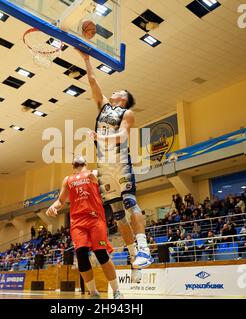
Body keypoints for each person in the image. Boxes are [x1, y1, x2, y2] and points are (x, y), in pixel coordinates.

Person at [77, 50, 153, 272]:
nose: (114, 90)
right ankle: (133, 258)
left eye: (119, 90)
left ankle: (144, 251)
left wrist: (100, 137)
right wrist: (86, 59)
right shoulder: (103, 107)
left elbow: (122, 136)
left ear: (124, 98)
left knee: (130, 203)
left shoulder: (127, 113)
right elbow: (92, 80)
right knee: (118, 216)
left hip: (119, 161)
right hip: (104, 166)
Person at [46, 155, 122, 299]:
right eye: (74, 156)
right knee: (81, 256)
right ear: (72, 163)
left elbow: (110, 180)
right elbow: (61, 201)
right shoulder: (67, 180)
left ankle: (117, 291)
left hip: (95, 220)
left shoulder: (93, 174)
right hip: (78, 223)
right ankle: (93, 293)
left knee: (102, 254)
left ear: (85, 162)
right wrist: (53, 207)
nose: (77, 157)